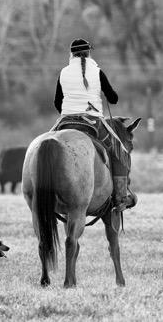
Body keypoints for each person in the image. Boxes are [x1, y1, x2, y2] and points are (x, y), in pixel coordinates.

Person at [53, 38, 136, 211]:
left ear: (71, 54)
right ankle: (121, 197)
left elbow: (56, 102)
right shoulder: (98, 72)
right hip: (93, 121)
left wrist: (70, 110)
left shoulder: (63, 72)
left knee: (43, 145)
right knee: (120, 151)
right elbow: (113, 99)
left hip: (66, 119)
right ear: (89, 53)